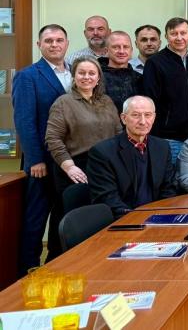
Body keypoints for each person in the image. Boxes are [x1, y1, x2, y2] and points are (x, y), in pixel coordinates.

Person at [12, 24, 71, 273]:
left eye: (59, 40)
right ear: (39, 45)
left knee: (62, 216)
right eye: (48, 41)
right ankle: (26, 272)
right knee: (36, 219)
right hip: (43, 162)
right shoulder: (27, 76)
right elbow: (24, 121)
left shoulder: (75, 73)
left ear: (67, 44)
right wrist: (35, 159)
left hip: (69, 161)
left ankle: (55, 267)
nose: (54, 45)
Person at [87, 95, 178, 218]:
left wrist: (162, 214)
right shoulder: (102, 152)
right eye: (135, 115)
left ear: (154, 117)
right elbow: (108, 199)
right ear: (123, 118)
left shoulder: (162, 147)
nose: (143, 121)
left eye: (148, 115)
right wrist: (139, 218)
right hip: (123, 220)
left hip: (158, 217)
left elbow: (169, 188)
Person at [45, 57, 121, 194]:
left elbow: (119, 132)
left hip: (108, 166)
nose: (86, 77)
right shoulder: (63, 103)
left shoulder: (107, 101)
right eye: (81, 73)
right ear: (74, 76)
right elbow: (53, 139)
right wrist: (69, 167)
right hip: (78, 168)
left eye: (91, 73)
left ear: (98, 78)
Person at [142, 17, 188, 163]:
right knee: (170, 176)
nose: (179, 38)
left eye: (183, 33)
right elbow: (150, 100)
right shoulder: (155, 62)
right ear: (166, 36)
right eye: (174, 34)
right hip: (167, 138)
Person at [99, 30, 142, 113]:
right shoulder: (96, 77)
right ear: (106, 51)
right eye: (116, 47)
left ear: (131, 50)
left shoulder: (140, 79)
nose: (121, 51)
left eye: (126, 47)